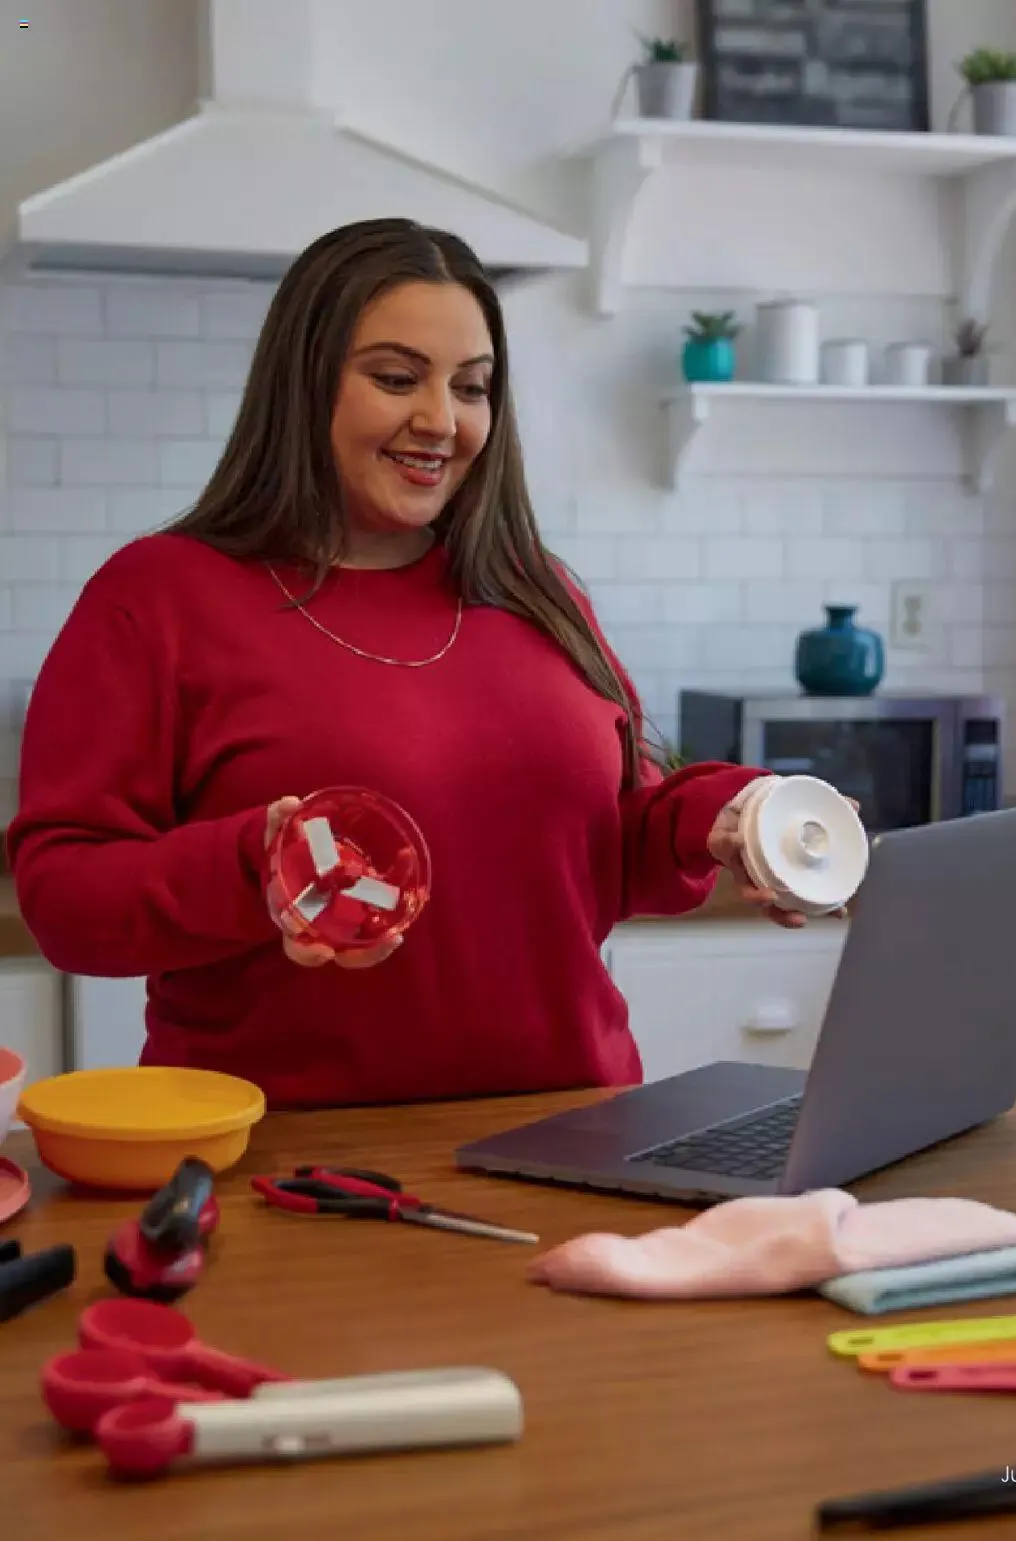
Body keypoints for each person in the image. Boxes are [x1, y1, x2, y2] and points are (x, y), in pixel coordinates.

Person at [6, 218, 818, 1110]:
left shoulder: (536, 592)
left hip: (571, 1130)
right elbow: (64, 900)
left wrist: (721, 817)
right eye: (396, 378)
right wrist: (256, 868)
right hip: (296, 1162)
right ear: (304, 383)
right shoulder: (159, 596)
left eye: (472, 387)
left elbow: (603, 850)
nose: (441, 420)